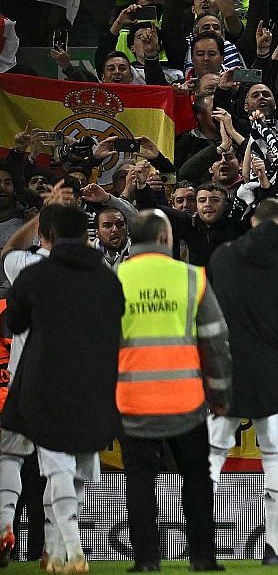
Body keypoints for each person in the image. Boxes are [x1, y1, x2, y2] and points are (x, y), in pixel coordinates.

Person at [0, 205, 123, 573]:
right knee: (79, 464)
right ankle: (55, 551)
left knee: (16, 454)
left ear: (44, 237)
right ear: (88, 236)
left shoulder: (30, 272)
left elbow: (15, 322)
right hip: (95, 383)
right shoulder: (108, 278)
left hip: (36, 379)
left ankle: (13, 526)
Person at [204, 198, 278, 565]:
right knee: (275, 461)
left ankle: (200, 545)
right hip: (272, 375)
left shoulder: (222, 256)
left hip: (228, 373)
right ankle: (272, 549)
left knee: (212, 458)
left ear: (253, 221)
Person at [114, 209, 230, 572]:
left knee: (139, 479)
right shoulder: (191, 277)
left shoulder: (114, 278)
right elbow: (215, 342)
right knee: (195, 477)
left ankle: (147, 560)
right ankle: (202, 559)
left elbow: (100, 343)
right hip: (185, 400)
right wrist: (221, 396)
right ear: (166, 238)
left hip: (132, 401)